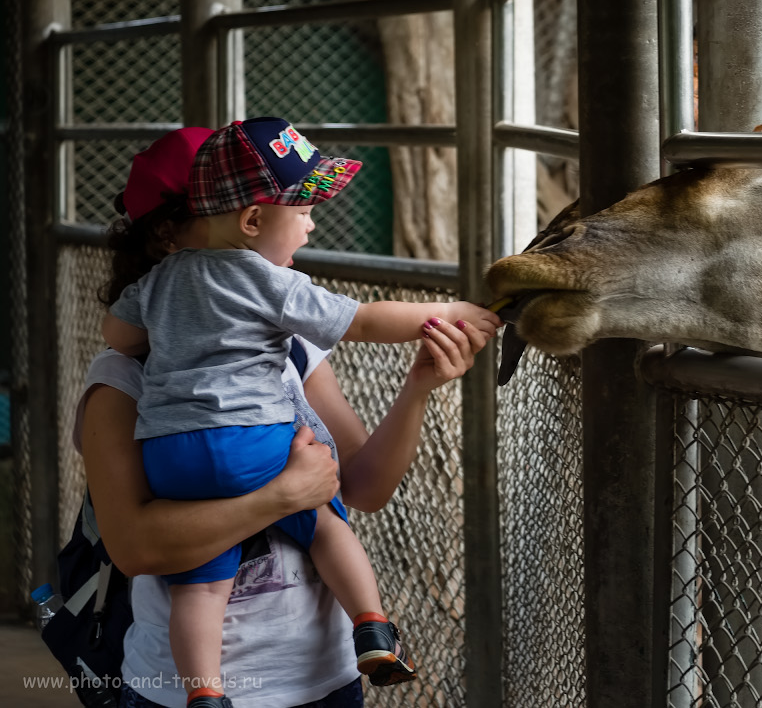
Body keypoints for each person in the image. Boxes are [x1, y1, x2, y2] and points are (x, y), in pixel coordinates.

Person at [77, 124, 502, 708]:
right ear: (169, 237)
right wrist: (283, 496)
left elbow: (364, 487)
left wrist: (418, 388)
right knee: (319, 526)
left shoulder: (294, 349)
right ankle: (365, 625)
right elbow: (135, 549)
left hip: (322, 675)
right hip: (168, 690)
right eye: (294, 207)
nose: (308, 223)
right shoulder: (119, 382)